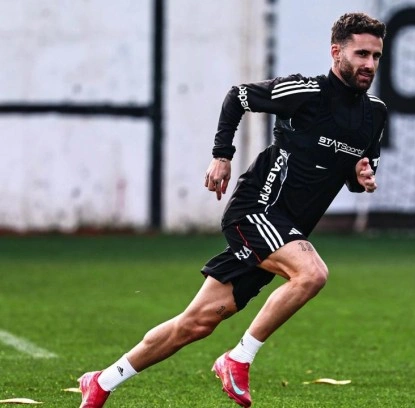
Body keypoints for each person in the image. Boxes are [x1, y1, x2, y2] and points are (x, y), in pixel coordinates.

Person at [77, 12, 387, 407]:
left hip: (285, 231)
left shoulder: (375, 114)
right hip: (257, 210)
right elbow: (238, 96)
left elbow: (357, 173)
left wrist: (362, 177)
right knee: (312, 274)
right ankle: (238, 358)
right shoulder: (306, 92)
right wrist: (222, 155)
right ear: (336, 52)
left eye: (376, 56)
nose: (369, 64)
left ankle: (102, 381)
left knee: (196, 323)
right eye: (361, 54)